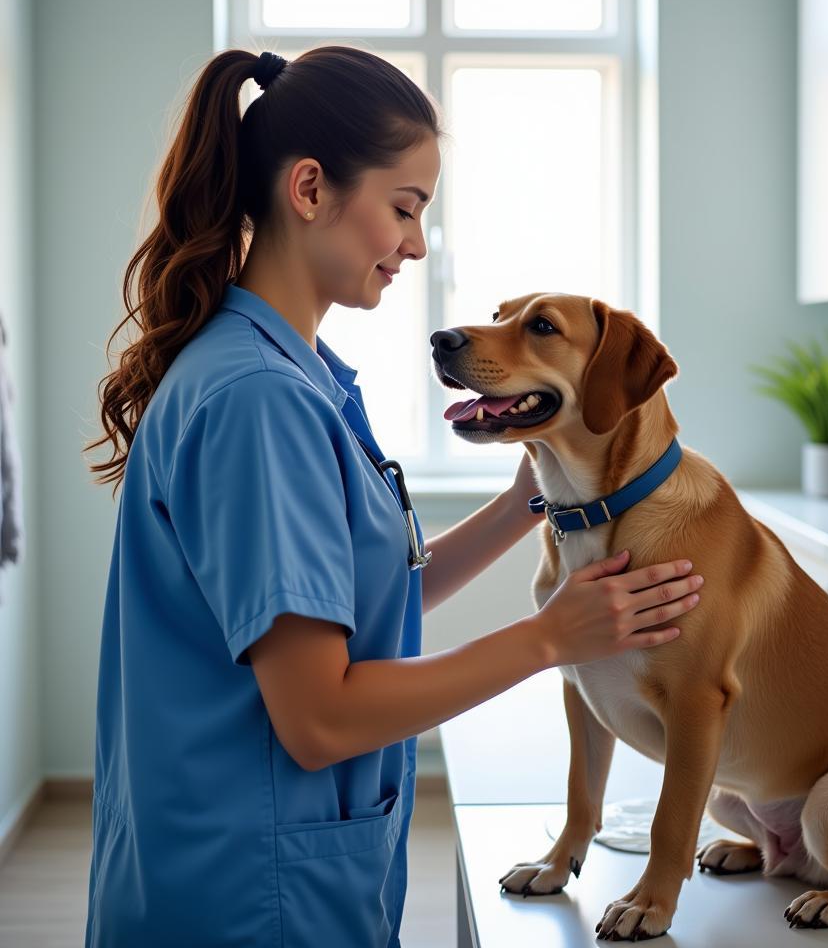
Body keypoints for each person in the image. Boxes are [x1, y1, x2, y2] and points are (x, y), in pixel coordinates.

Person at [81, 46, 704, 948]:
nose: (416, 243)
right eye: (404, 209)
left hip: (239, 868)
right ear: (308, 190)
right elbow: (321, 714)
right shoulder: (260, 402)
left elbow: (357, 605)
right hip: (249, 900)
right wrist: (546, 638)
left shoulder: (287, 375)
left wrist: (538, 494)